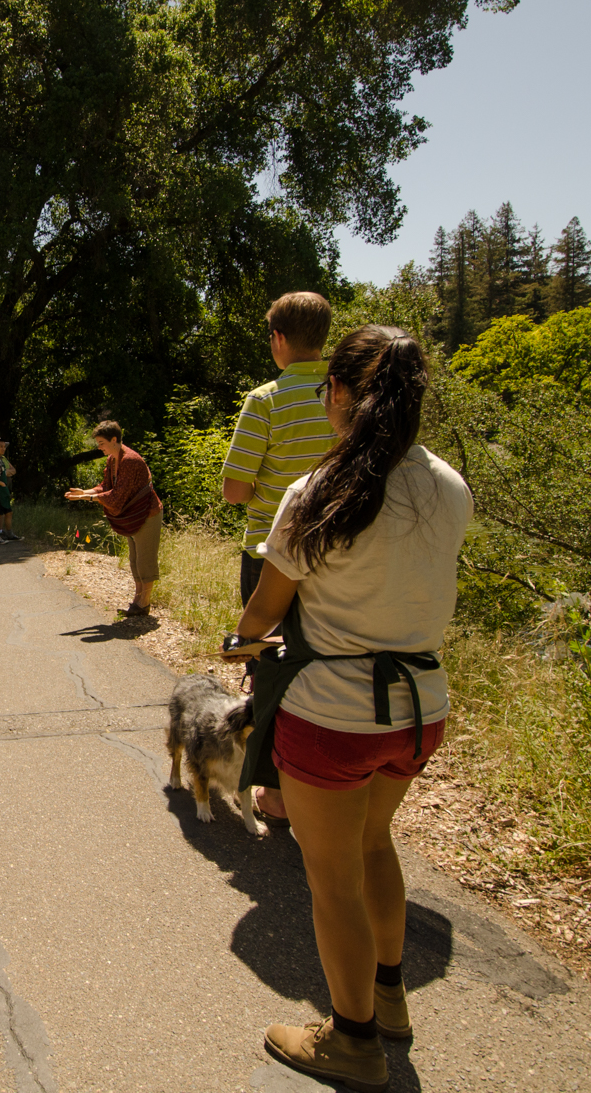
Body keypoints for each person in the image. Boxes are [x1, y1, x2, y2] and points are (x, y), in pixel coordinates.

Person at [227, 326, 470, 1092]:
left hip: (332, 715)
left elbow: (264, 612)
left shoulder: (318, 492)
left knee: (331, 879)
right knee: (375, 847)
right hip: (419, 708)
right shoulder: (449, 485)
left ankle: (352, 1040)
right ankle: (390, 1004)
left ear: (338, 393)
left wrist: (238, 646)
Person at [221, 291, 336, 608]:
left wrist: (259, 488)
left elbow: (234, 492)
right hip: (332, 550)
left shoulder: (264, 400)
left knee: (265, 650)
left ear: (278, 338)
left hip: (269, 549)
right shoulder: (346, 395)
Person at [65, 421, 162, 617]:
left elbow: (117, 496)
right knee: (134, 559)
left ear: (114, 440)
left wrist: (88, 497)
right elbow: (105, 486)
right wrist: (84, 492)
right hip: (133, 515)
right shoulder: (112, 459)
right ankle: (138, 599)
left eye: (101, 442)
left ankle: (144, 603)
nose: (99, 447)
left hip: (147, 514)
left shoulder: (130, 460)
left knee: (145, 560)